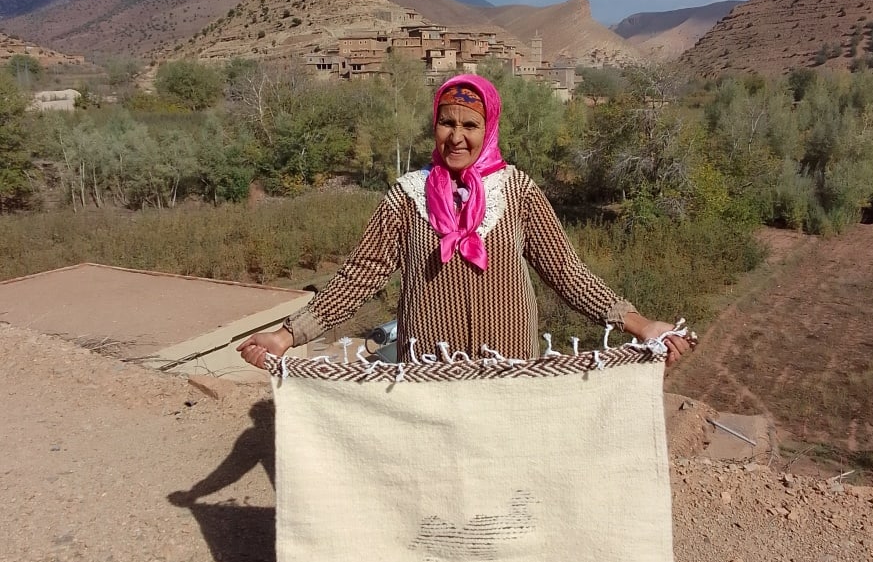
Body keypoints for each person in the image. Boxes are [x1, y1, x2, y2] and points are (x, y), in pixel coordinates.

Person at [238, 73, 693, 369]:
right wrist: (288, 334)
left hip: (508, 363)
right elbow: (359, 276)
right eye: (446, 122)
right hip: (428, 367)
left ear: (488, 128)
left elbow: (566, 272)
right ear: (434, 125)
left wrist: (640, 325)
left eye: (470, 125)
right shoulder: (407, 195)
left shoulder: (516, 192)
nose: (456, 136)